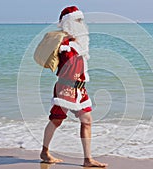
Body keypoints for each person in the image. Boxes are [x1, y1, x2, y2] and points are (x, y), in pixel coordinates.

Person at [40, 6, 108, 168]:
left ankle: (88, 159)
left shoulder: (79, 43)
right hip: (65, 88)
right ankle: (45, 152)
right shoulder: (64, 43)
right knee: (56, 120)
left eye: (81, 20)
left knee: (87, 121)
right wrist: (65, 42)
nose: (80, 23)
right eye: (77, 20)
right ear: (68, 23)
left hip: (80, 89)